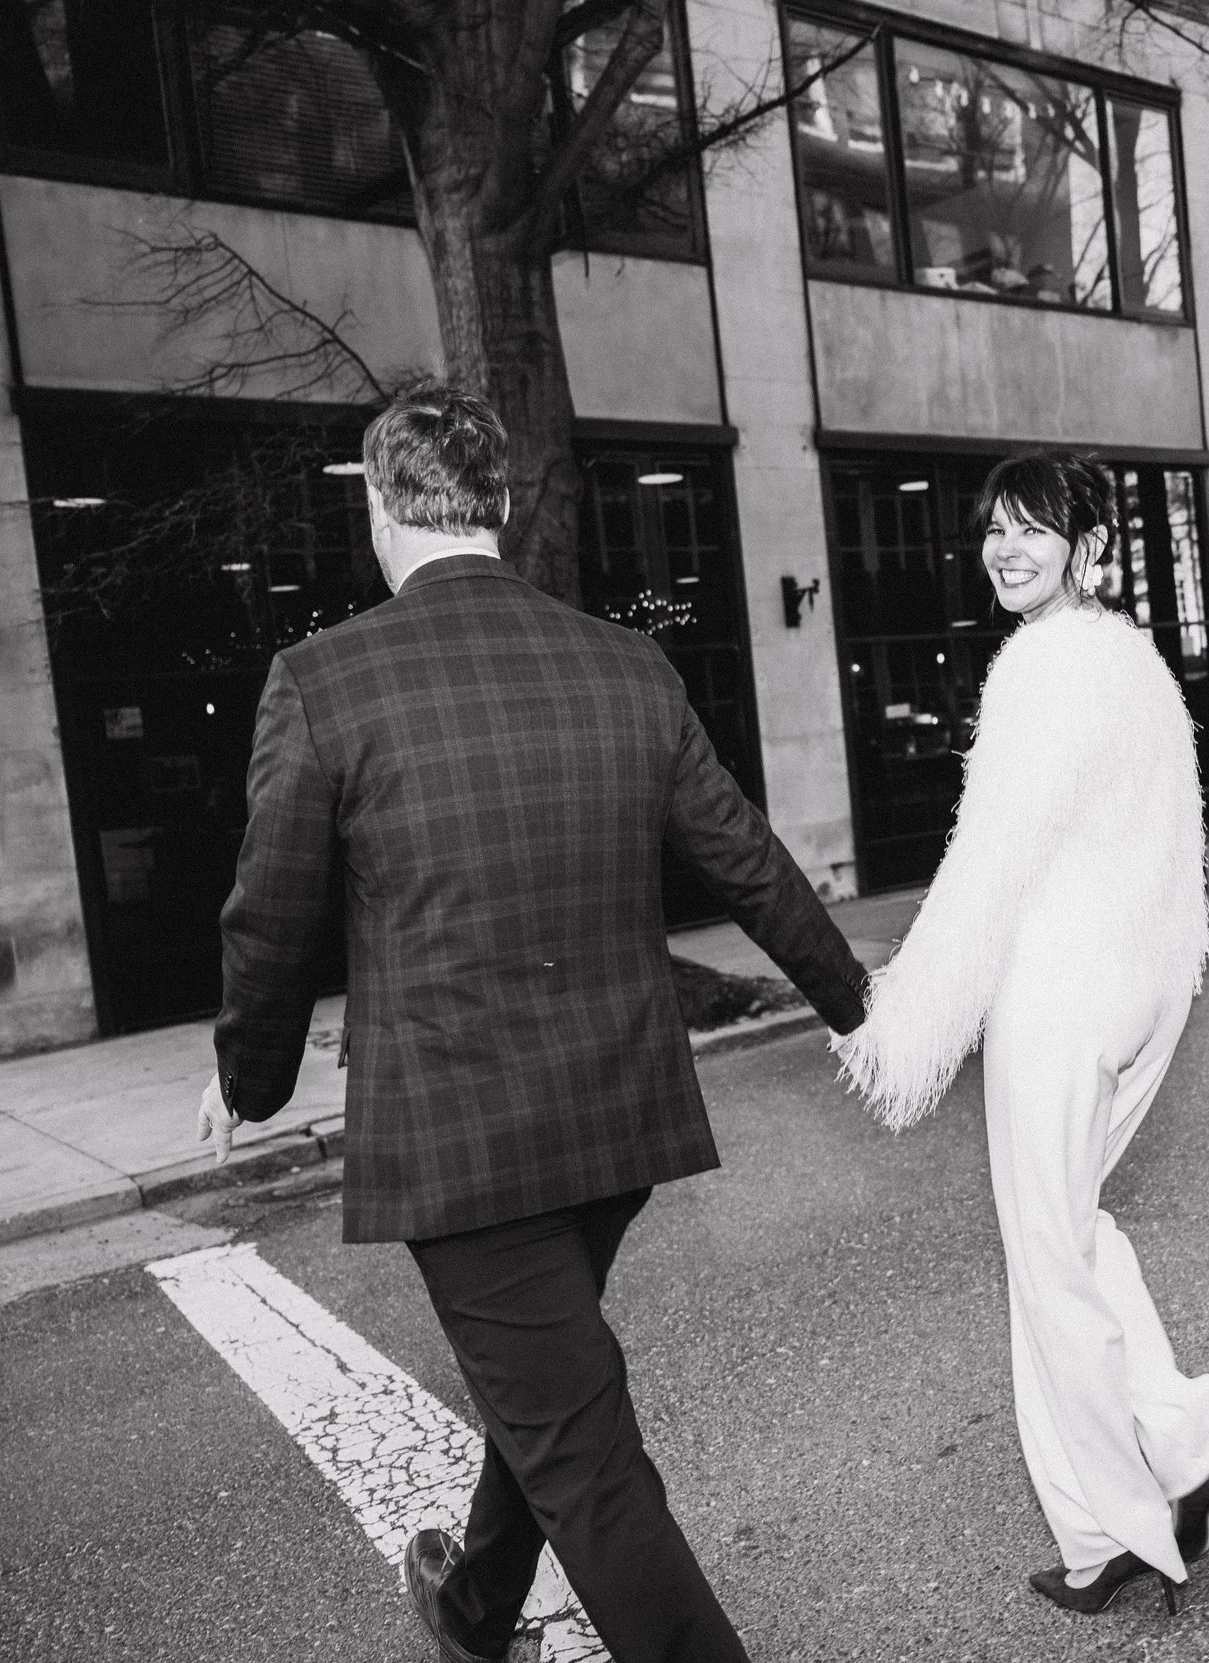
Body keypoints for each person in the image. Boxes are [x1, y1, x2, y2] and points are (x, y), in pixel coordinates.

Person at [194, 386, 868, 1663]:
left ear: (382, 508)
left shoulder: (322, 681)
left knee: (581, 1445)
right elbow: (747, 859)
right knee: (547, 1388)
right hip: (612, 1123)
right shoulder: (625, 663)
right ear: (498, 506)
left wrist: (250, 1078)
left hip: (464, 1140)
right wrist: (858, 1006)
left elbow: (266, 914)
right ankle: (476, 1604)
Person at [830, 450, 1209, 1616]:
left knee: (1046, 1259)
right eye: (992, 530)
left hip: (1064, 995)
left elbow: (991, 862)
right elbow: (1178, 843)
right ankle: (1158, 1464)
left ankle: (1135, 1499)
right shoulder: (1130, 661)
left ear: (1090, 546)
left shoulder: (1043, 665)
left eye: (1034, 529)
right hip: (1140, 991)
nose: (1005, 549)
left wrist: (901, 1019)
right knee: (1074, 1233)